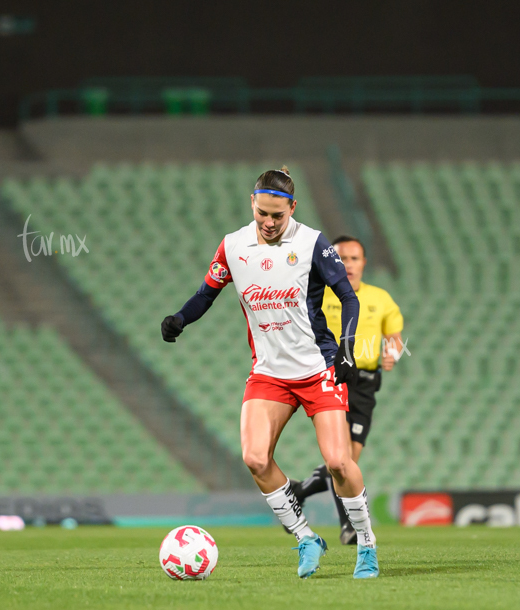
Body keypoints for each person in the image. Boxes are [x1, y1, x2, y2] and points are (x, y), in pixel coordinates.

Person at [160, 167, 380, 579]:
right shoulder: (233, 246)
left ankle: (367, 546)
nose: (269, 223)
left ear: (292, 208)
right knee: (255, 459)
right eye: (263, 213)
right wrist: (180, 319)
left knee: (338, 461)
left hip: (318, 368)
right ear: (252, 204)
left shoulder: (313, 243)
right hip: (269, 373)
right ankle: (305, 538)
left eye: (278, 215)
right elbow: (206, 293)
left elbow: (348, 298)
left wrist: (347, 350)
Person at [290, 235, 404, 544]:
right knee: (343, 460)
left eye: (355, 258)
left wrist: (392, 351)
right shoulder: (321, 294)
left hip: (365, 384)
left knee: (344, 459)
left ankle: (300, 490)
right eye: (343, 258)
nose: (349, 264)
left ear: (364, 263)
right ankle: (349, 526)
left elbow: (394, 334)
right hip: (332, 377)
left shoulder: (381, 299)